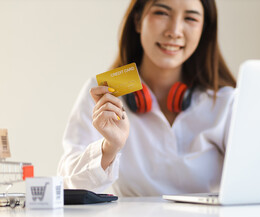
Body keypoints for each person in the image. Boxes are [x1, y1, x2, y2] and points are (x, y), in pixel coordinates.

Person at [58, 0, 237, 196]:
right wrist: (109, 148)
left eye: (190, 18)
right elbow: (69, 187)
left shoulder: (226, 101)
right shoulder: (104, 93)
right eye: (162, 13)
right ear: (137, 20)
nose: (174, 31)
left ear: (204, 30)